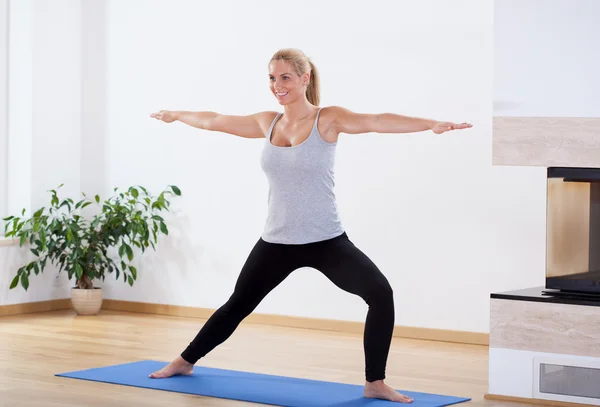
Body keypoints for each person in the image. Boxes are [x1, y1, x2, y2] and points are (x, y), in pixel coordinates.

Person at [148, 48, 472, 403]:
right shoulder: (266, 122)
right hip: (277, 240)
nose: (277, 85)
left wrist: (429, 124)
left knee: (380, 294)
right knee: (237, 304)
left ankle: (374, 382)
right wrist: (176, 115)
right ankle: (184, 361)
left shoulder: (327, 119)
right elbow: (215, 119)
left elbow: (377, 120)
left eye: (285, 77)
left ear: (305, 79)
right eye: (272, 78)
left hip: (325, 240)